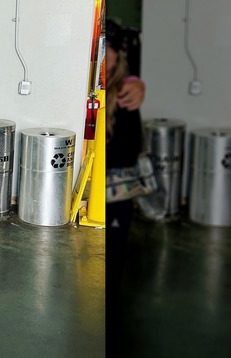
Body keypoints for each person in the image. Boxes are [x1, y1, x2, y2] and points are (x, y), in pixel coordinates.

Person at [104, 18, 145, 358]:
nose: (107, 57)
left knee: (114, 266)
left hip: (116, 192)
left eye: (112, 51)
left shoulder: (126, 95)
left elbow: (131, 149)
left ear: (119, 57)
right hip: (109, 188)